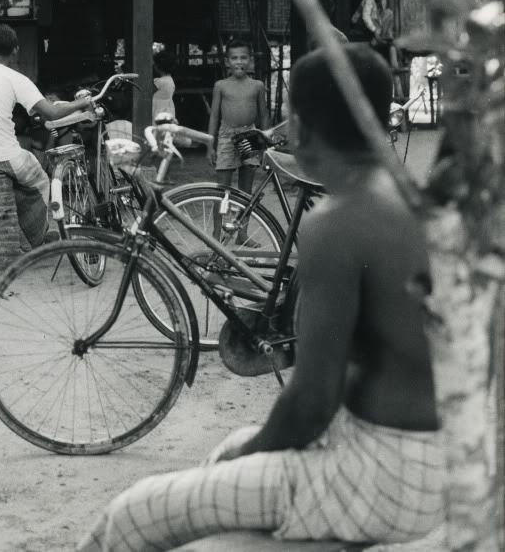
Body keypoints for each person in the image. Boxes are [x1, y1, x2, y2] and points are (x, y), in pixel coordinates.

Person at [77, 44, 443, 550]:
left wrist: (246, 456)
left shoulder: (338, 224)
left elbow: (311, 401)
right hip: (428, 459)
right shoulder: (410, 199)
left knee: (134, 513)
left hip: (377, 475)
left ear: (304, 127)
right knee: (227, 452)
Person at [0, 24, 95, 248]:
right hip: (4, 158)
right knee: (41, 180)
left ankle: (25, 232)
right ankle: (38, 236)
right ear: (15, 50)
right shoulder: (17, 79)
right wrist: (83, 102)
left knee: (23, 181)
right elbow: (51, 112)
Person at [207, 40, 269, 235]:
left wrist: (266, 141)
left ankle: (242, 234)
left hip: (250, 135)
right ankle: (216, 233)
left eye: (243, 57)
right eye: (234, 58)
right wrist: (211, 144)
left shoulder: (257, 86)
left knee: (245, 190)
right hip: (226, 135)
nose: (239, 62)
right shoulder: (221, 86)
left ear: (250, 61)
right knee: (222, 190)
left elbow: (263, 114)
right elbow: (215, 116)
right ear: (227, 62)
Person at [151, 50, 178, 123]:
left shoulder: (160, 82)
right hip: (168, 111)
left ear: (158, 66)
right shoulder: (170, 80)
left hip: (159, 112)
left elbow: (146, 92)